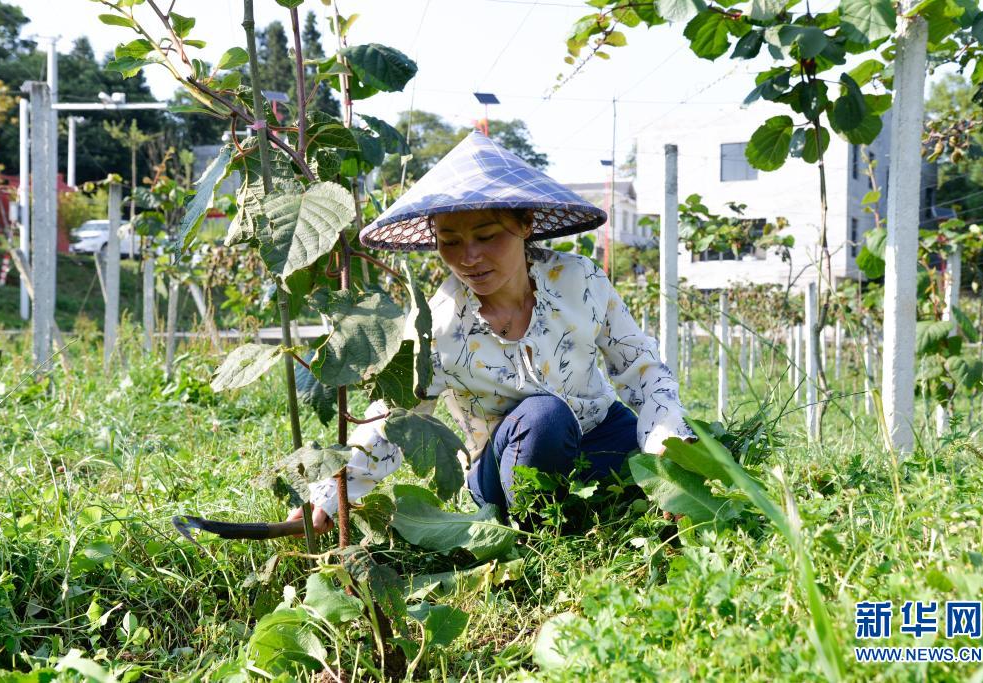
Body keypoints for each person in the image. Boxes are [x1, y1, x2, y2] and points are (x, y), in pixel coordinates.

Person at [288, 131, 692, 533]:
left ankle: (605, 503)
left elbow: (640, 365)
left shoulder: (579, 280)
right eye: (450, 242)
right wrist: (332, 494)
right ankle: (541, 524)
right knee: (544, 417)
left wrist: (665, 437)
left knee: (691, 464)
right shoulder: (438, 324)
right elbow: (395, 416)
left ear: (525, 224)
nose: (469, 258)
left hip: (598, 433)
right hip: (507, 460)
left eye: (487, 236)